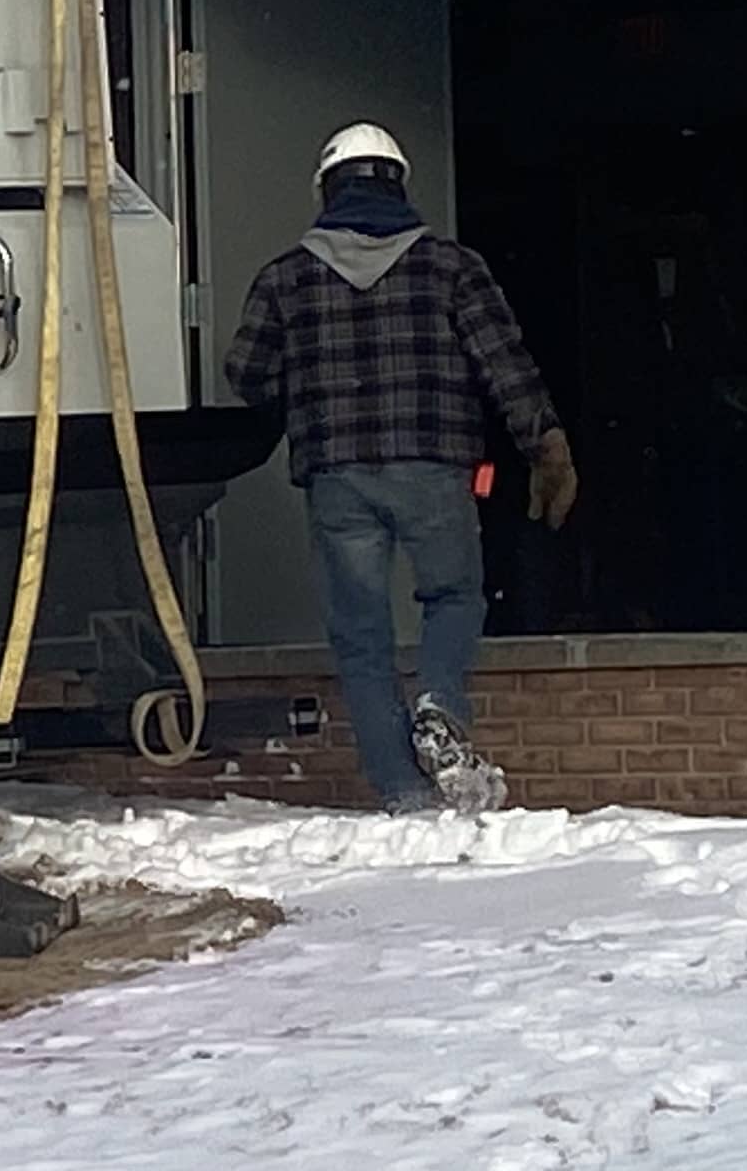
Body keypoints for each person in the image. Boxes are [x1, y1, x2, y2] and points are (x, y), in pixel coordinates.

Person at [223, 122, 578, 814]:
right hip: (434, 469)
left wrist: (311, 374)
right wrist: (546, 444)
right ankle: (440, 703)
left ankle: (402, 791)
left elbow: (247, 375)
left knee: (361, 638)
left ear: (327, 190)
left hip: (338, 475)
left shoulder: (286, 278)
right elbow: (503, 365)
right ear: (399, 186)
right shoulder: (452, 267)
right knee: (453, 597)